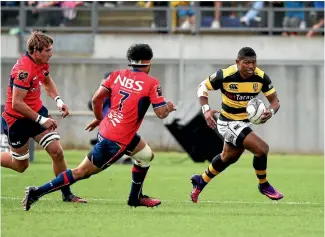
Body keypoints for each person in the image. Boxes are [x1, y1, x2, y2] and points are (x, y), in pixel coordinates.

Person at [22, 43, 176, 211]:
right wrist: (168, 106)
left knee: (145, 156)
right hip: (116, 140)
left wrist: (99, 118)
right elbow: (161, 113)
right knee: (81, 172)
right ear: (149, 62)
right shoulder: (151, 82)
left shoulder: (116, 75)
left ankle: (135, 197)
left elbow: (96, 99)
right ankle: (36, 192)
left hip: (111, 130)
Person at [1, 31, 86, 203]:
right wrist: (42, 120)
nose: (51, 53)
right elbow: (17, 103)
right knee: (20, 166)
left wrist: (58, 100)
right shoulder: (23, 70)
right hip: (17, 120)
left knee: (57, 152)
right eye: (47, 50)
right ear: (35, 51)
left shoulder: (42, 63)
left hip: (37, 113)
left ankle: (67, 194)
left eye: (50, 49)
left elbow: (47, 82)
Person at [191, 47, 283, 203]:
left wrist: (271, 112)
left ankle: (201, 180)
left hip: (244, 123)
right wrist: (206, 110)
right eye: (246, 62)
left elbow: (275, 102)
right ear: (237, 62)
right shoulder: (225, 75)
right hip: (227, 122)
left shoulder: (260, 78)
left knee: (228, 157)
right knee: (262, 149)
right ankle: (263, 185)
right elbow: (202, 87)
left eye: (253, 62)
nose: (250, 66)